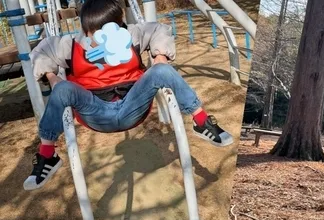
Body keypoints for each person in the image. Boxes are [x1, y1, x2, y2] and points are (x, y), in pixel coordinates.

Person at [25, 0, 233, 191]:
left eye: (109, 30)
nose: (102, 39)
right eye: (95, 34)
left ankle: (201, 121)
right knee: (62, 89)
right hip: (95, 111)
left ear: (120, 25)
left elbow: (159, 29)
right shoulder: (70, 45)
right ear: (85, 30)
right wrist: (52, 77)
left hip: (132, 104)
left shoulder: (132, 36)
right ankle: (47, 155)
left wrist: (160, 55)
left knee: (161, 71)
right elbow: (42, 51)